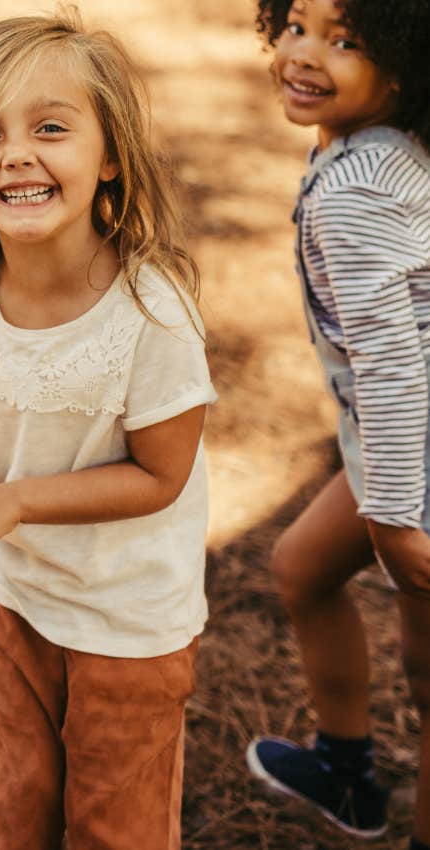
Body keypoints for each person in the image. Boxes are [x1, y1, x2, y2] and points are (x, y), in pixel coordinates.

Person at [0, 10, 217, 850]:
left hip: (125, 621)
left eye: (51, 128)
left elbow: (159, 476)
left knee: (115, 824)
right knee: (13, 806)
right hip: (10, 601)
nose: (19, 154)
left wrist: (14, 502)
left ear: (109, 158)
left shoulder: (152, 315)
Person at [244, 0, 430, 845]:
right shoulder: (373, 153)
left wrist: (394, 518)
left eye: (345, 40)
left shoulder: (358, 188)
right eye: (298, 26)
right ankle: (347, 773)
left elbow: (393, 369)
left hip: (414, 469)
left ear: (403, 62)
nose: (306, 54)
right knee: (301, 568)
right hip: (396, 450)